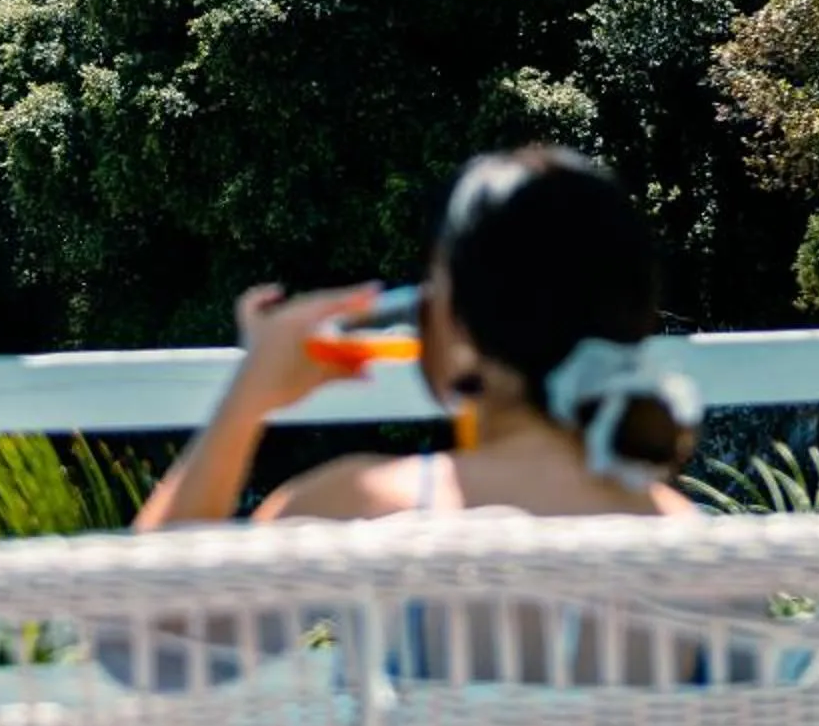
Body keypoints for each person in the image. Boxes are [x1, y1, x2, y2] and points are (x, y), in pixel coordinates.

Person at [136, 147, 702, 531]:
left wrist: (248, 396)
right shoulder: (690, 539)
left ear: (455, 321)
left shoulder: (358, 509)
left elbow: (140, 644)